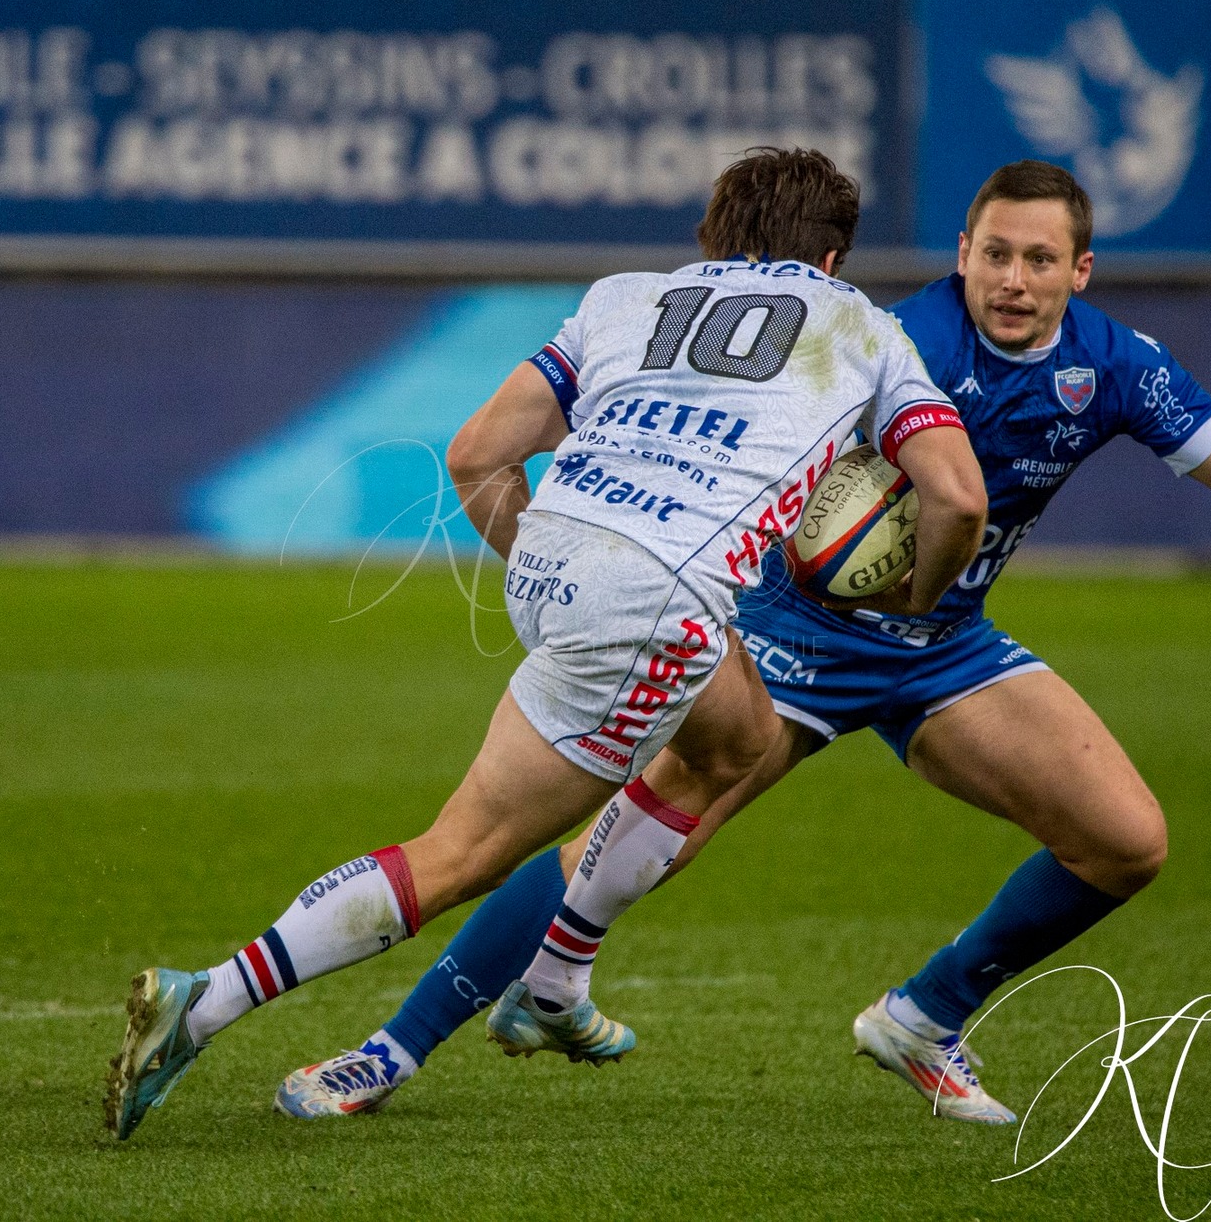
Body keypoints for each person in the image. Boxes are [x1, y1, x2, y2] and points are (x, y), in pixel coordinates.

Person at [273, 159, 1211, 1124]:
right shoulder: (880, 339)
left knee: (1126, 837)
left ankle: (921, 1015)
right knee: (600, 843)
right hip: (779, 635)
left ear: (1081, 273)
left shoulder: (1113, 367)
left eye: (1039, 259)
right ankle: (388, 1052)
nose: (1012, 278)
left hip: (941, 643)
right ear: (961, 251)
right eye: (993, 252)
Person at [102, 147, 988, 1141]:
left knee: (734, 739)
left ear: (710, 239)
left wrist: (561, 571)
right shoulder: (861, 327)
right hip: (652, 602)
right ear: (831, 259)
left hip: (555, 559)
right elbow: (955, 494)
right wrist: (917, 594)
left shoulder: (624, 299)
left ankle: (557, 980)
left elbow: (477, 454)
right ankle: (206, 1000)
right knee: (464, 850)